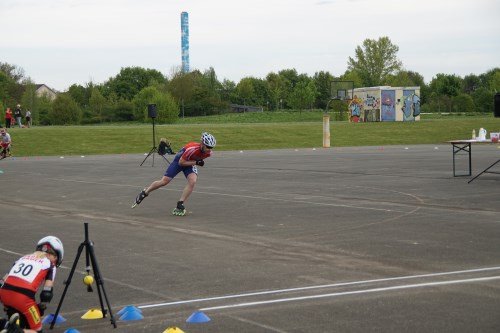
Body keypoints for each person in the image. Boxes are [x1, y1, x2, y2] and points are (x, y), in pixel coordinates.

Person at [132, 132, 216, 215]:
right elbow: (181, 163)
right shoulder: (192, 149)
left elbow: (197, 159)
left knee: (192, 181)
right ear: (202, 143)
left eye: (211, 147)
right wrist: (196, 162)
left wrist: (197, 162)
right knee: (164, 182)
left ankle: (180, 203)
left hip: (189, 163)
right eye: (208, 146)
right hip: (179, 161)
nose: (209, 149)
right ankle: (145, 192)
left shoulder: (209, 153)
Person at [0, 236, 64, 333]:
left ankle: (5, 325)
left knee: (13, 321)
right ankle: (14, 331)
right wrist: (41, 307)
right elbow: (47, 293)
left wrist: (6, 304)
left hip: (4, 293)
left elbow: (3, 281)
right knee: (37, 330)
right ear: (55, 256)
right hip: (24, 299)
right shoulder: (50, 264)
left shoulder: (22, 258)